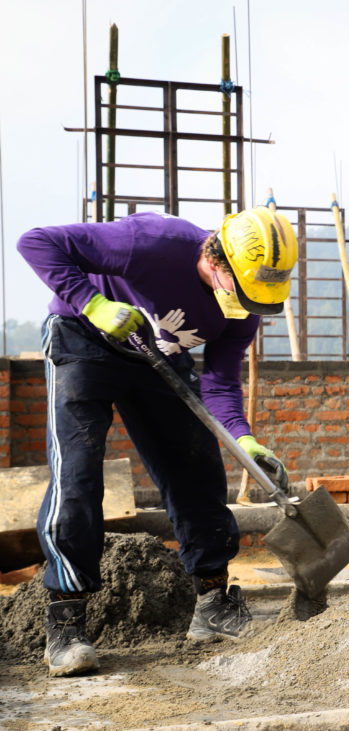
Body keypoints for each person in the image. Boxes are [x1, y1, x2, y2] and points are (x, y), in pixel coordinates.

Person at [17, 207, 297, 676]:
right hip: (84, 340)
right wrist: (94, 303)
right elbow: (37, 242)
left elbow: (222, 382)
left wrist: (245, 440)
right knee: (78, 473)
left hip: (155, 358)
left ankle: (212, 604)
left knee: (198, 468)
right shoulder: (152, 241)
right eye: (243, 289)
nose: (246, 303)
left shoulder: (240, 308)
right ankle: (66, 621)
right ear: (218, 260)